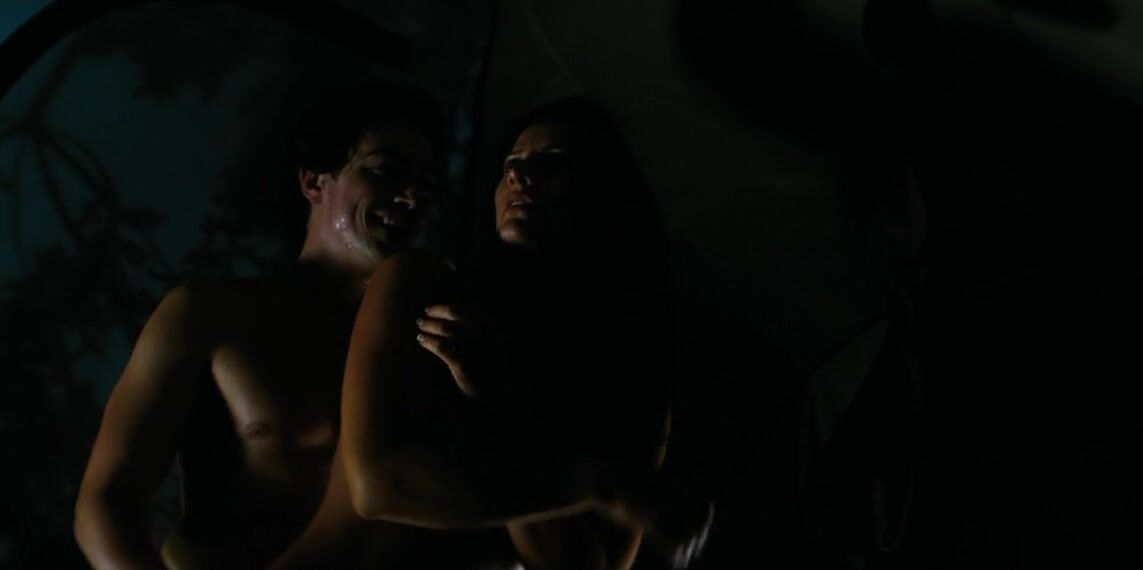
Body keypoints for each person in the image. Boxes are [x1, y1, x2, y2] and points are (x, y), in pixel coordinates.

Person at [278, 97, 710, 569]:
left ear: (605, 194)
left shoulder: (630, 382)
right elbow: (381, 486)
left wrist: (498, 400)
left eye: (552, 163)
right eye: (511, 164)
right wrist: (594, 484)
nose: (519, 176)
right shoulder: (424, 288)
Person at [73, 82, 444, 569]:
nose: (412, 198)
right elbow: (106, 504)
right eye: (387, 171)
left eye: (426, 184)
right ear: (315, 182)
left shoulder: (427, 337)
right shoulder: (209, 314)